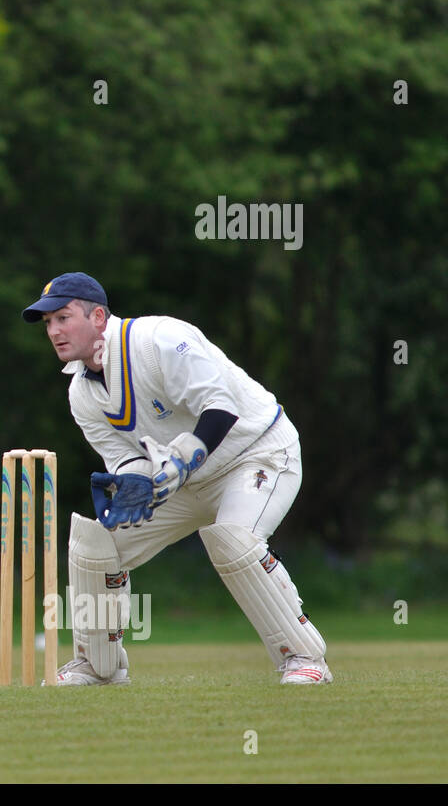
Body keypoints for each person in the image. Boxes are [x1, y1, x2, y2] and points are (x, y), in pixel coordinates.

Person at [23, 272, 331, 686]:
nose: (55, 331)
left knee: (233, 540)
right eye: (48, 324)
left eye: (63, 317)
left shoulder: (159, 340)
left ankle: (304, 658)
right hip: (184, 482)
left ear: (98, 316)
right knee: (95, 546)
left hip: (256, 452)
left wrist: (181, 462)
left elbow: (220, 407)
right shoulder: (81, 392)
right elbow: (124, 457)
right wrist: (134, 482)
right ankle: (99, 666)